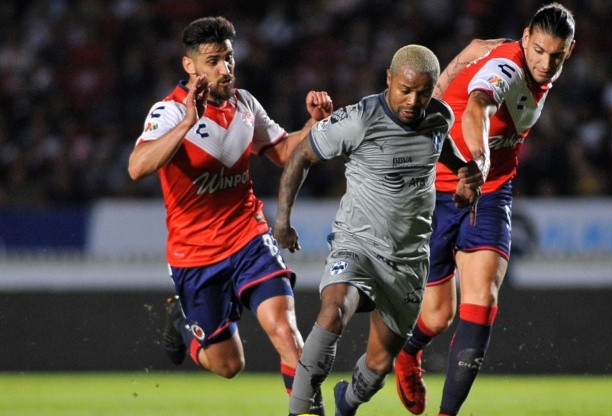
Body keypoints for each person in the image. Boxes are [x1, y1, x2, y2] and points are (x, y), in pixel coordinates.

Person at [127, 16, 333, 415]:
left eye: (229, 58)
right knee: (228, 365)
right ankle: (184, 324)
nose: (225, 68)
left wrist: (314, 124)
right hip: (196, 257)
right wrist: (189, 121)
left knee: (287, 335)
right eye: (214, 60)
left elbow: (285, 152)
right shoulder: (168, 112)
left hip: (248, 238)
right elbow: (137, 167)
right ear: (190, 66)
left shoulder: (245, 104)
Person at [273, 44, 483, 416]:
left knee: (379, 364)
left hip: (408, 260)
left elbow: (441, 148)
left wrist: (466, 172)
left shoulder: (439, 116)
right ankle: (300, 409)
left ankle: (346, 404)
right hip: (358, 244)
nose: (413, 101)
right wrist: (282, 220)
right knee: (334, 310)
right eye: (405, 90)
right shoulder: (360, 119)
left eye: (423, 92)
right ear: (389, 79)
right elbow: (302, 155)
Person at [394, 4, 576, 415]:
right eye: (540, 51)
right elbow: (478, 106)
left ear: (570, 51)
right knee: (439, 316)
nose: (545, 64)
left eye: (557, 57)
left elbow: (444, 101)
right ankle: (407, 352)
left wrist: (460, 59)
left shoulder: (531, 68)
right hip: (441, 189)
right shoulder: (509, 67)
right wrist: (476, 164)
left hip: (491, 192)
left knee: (483, 299)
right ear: (526, 37)